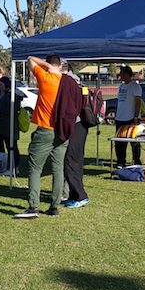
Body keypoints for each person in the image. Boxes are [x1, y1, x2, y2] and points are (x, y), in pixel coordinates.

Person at [14, 55, 67, 219]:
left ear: (49, 66)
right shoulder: (67, 83)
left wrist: (48, 67)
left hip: (45, 129)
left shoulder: (46, 78)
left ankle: (33, 206)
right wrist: (55, 68)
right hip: (63, 131)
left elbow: (30, 59)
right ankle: (54, 206)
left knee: (35, 168)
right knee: (58, 169)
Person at [60, 70, 91, 208]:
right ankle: (74, 195)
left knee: (70, 162)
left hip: (75, 125)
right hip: (81, 126)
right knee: (76, 162)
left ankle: (80, 195)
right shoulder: (77, 83)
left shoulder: (68, 83)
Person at [113, 65, 142, 168]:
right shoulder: (121, 86)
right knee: (119, 142)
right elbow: (120, 101)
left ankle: (136, 160)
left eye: (121, 73)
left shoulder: (135, 86)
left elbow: (138, 102)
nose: (119, 75)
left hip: (131, 118)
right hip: (120, 118)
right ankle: (121, 161)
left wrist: (136, 117)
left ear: (126, 74)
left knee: (134, 142)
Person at [0, 76, 25, 175]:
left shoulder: (11, 95)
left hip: (10, 125)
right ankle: (13, 166)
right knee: (11, 146)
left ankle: (13, 167)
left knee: (12, 147)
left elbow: (9, 109)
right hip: (6, 125)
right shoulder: (7, 94)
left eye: (1, 85)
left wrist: (0, 109)